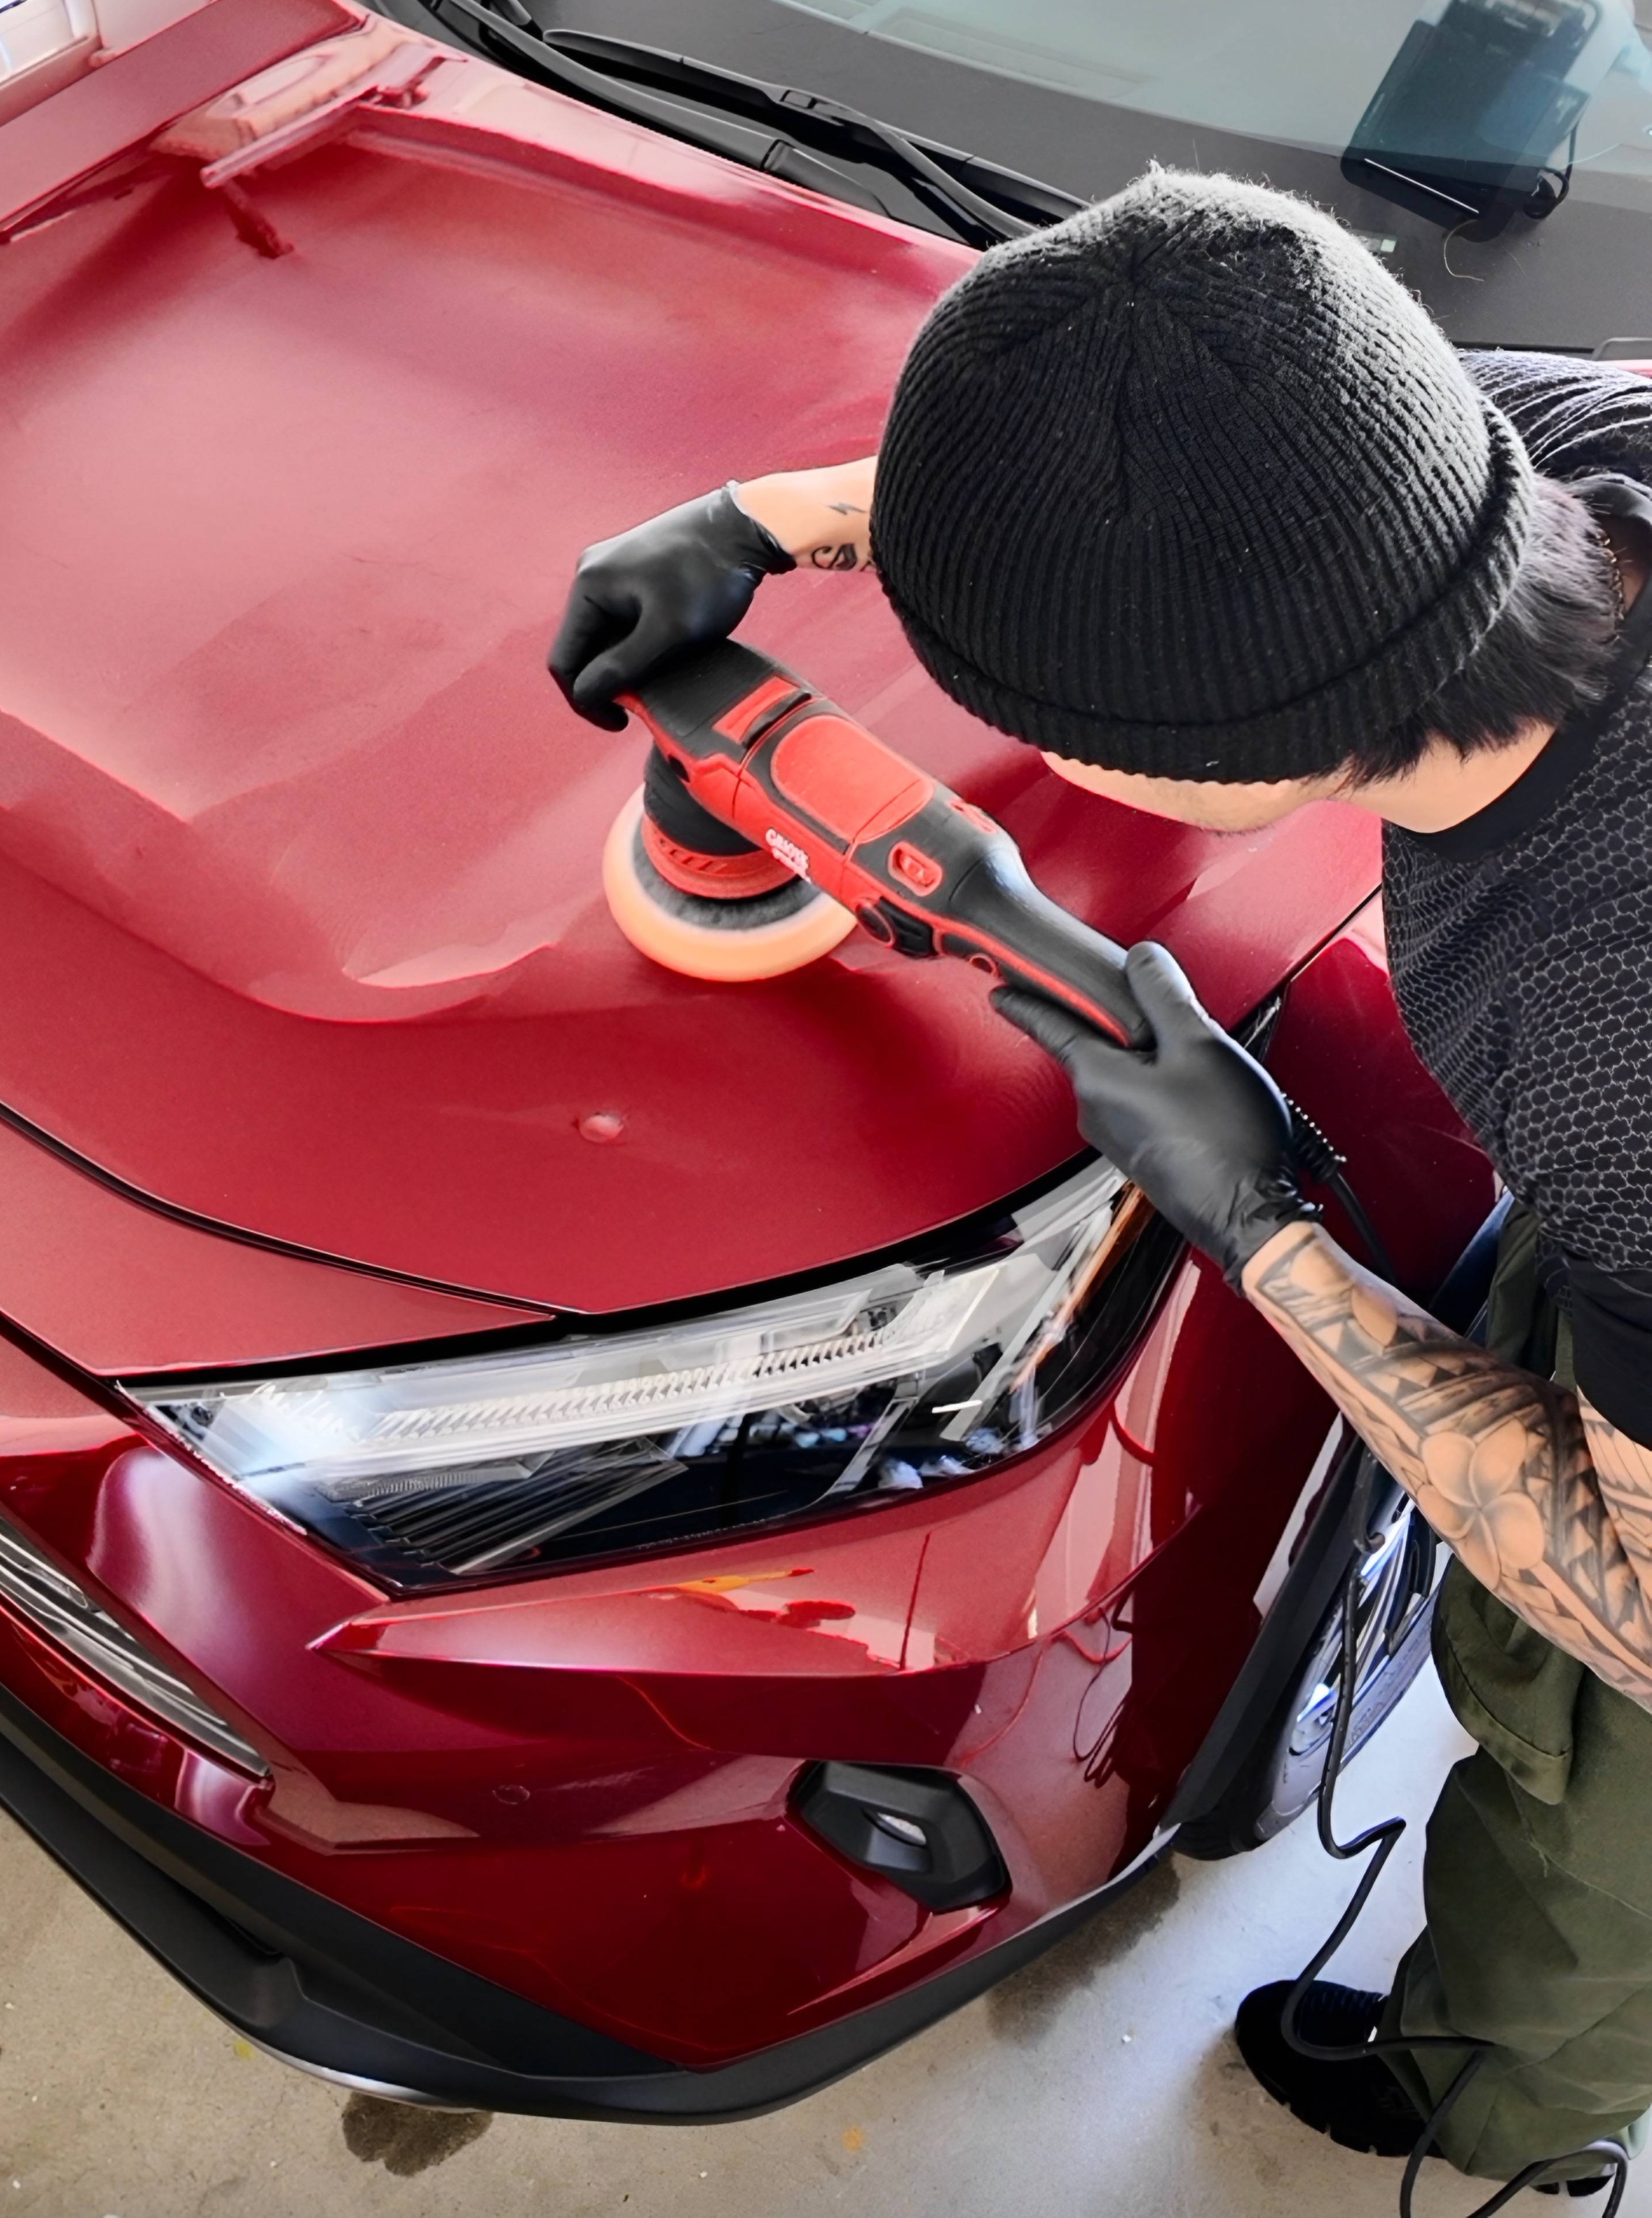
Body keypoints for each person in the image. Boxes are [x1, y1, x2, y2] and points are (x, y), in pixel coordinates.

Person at [550, 170, 1652, 2198]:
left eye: (1047, 727)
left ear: (1228, 767)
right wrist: (764, 520)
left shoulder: (1611, 1041)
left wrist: (1265, 1225)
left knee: (1605, 1804)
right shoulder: (1567, 451)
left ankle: (1496, 2094)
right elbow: (1219, 470)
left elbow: (1641, 1602)